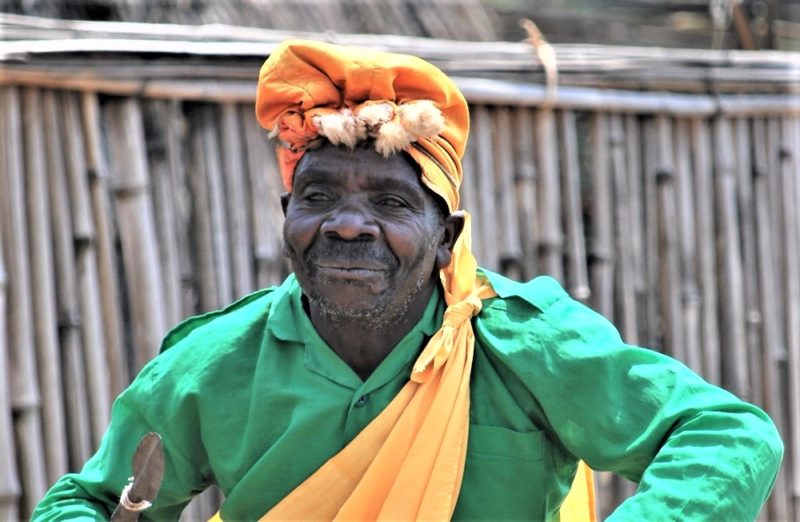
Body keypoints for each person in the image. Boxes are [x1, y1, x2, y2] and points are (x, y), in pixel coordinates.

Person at [34, 39, 782, 521]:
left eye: (390, 203)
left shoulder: (524, 343)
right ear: (287, 215)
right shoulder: (214, 367)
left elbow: (725, 433)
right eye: (319, 197)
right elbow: (89, 500)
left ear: (447, 236)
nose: (348, 225)